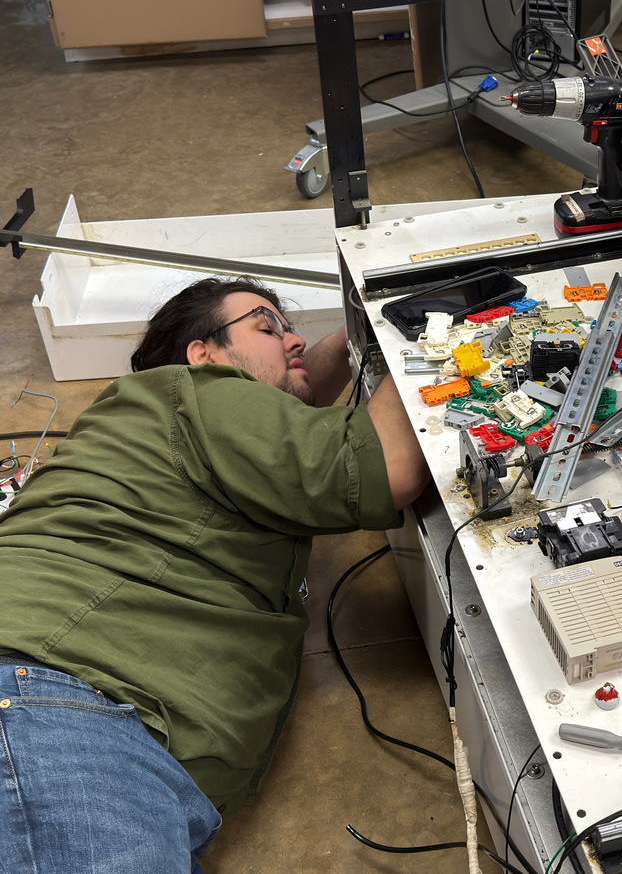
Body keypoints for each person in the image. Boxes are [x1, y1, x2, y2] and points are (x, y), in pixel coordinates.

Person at [0, 276, 431, 874]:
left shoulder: (177, 425)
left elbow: (297, 403)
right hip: (56, 709)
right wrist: (431, 331)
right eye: (266, 325)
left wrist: (366, 330)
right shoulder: (195, 389)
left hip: (67, 722)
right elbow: (384, 464)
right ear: (202, 352)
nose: (293, 341)